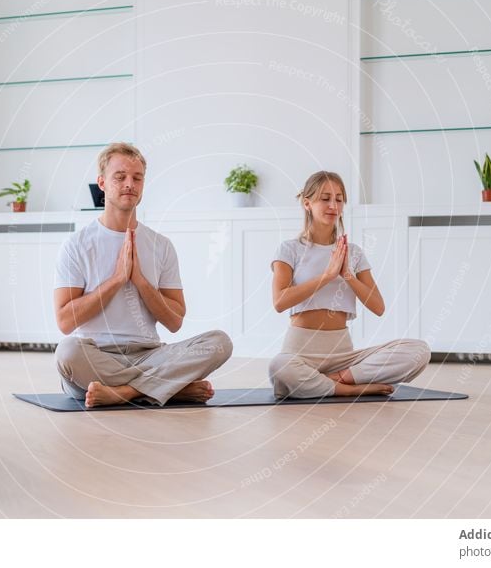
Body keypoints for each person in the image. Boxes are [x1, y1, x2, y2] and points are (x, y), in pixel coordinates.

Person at [53, 142, 232, 407]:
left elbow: (174, 322)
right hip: (96, 356)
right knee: (67, 352)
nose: (129, 184)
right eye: (120, 177)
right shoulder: (78, 245)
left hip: (149, 355)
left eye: (137, 178)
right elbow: (65, 321)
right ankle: (168, 387)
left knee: (220, 343)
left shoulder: (161, 245)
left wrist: (140, 282)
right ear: (102, 183)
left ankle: (125, 392)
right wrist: (117, 280)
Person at [268, 171, 430, 399]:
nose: (333, 205)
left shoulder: (352, 252)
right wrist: (327, 275)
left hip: (342, 356)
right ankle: (348, 389)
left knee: (419, 351)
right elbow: (279, 302)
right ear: (307, 203)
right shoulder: (289, 249)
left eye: (339, 198)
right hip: (300, 353)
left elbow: (378, 307)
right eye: (325, 198)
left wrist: (348, 275)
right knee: (279, 366)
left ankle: (336, 380)